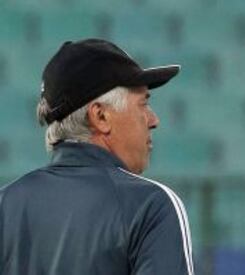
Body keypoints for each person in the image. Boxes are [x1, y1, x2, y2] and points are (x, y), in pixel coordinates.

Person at [0, 39, 194, 275]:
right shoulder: (150, 205)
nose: (154, 120)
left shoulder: (5, 203)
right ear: (100, 116)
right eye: (143, 104)